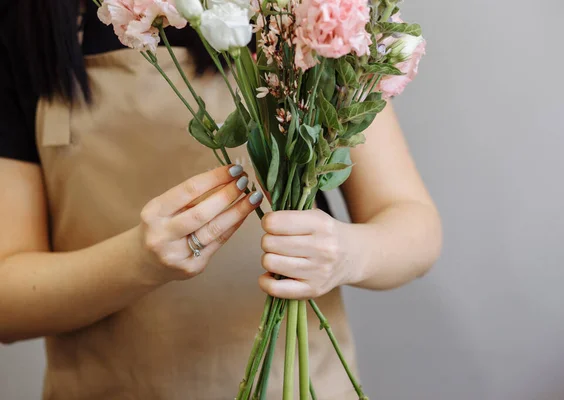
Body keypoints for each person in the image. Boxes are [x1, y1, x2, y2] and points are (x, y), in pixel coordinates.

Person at [0, 0, 442, 399]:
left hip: (292, 384)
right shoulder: (26, 24)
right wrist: (137, 261)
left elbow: (414, 227)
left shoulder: (299, 13)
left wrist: (345, 254)